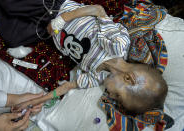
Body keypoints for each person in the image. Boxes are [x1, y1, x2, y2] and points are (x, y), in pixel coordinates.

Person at [11, 0, 168, 115]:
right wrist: (61, 19)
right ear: (129, 79)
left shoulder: (98, 77)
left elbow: (66, 87)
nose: (111, 96)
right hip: (56, 9)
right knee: (11, 5)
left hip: (48, 30)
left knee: (12, 36)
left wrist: (33, 102)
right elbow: (97, 10)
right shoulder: (117, 45)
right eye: (118, 96)